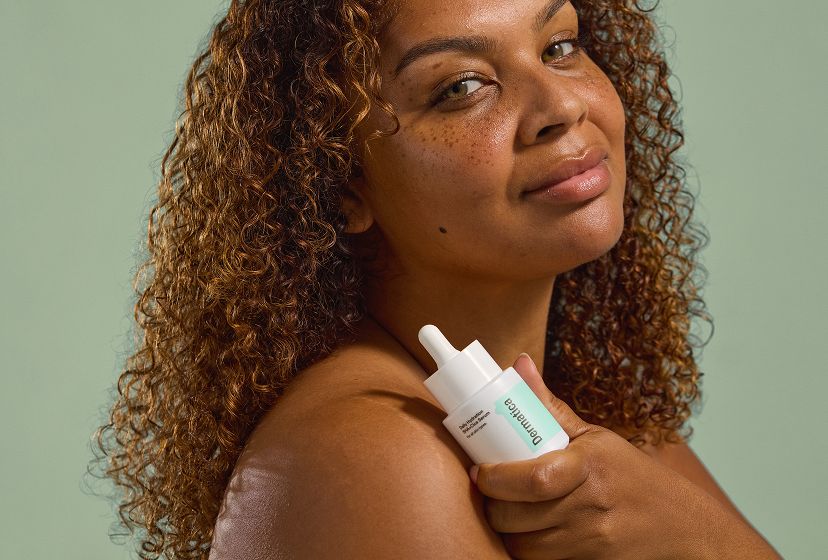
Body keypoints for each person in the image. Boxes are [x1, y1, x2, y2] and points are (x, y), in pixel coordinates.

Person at [93, 0, 782, 558]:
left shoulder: (594, 425)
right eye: (461, 88)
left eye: (559, 46)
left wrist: (700, 538)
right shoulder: (373, 457)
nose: (561, 107)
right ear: (339, 184)